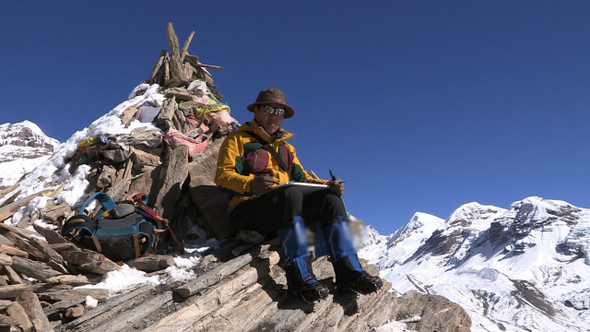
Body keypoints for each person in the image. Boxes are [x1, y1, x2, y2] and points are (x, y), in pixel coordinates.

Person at [215, 88, 382, 302]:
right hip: (247, 211)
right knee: (291, 194)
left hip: (284, 210)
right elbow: (222, 177)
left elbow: (303, 178)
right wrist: (251, 184)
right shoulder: (237, 140)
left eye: (280, 111)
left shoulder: (287, 148)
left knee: (330, 200)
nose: (274, 115)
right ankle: (299, 278)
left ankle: (348, 273)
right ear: (255, 110)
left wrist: (329, 185)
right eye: (268, 108)